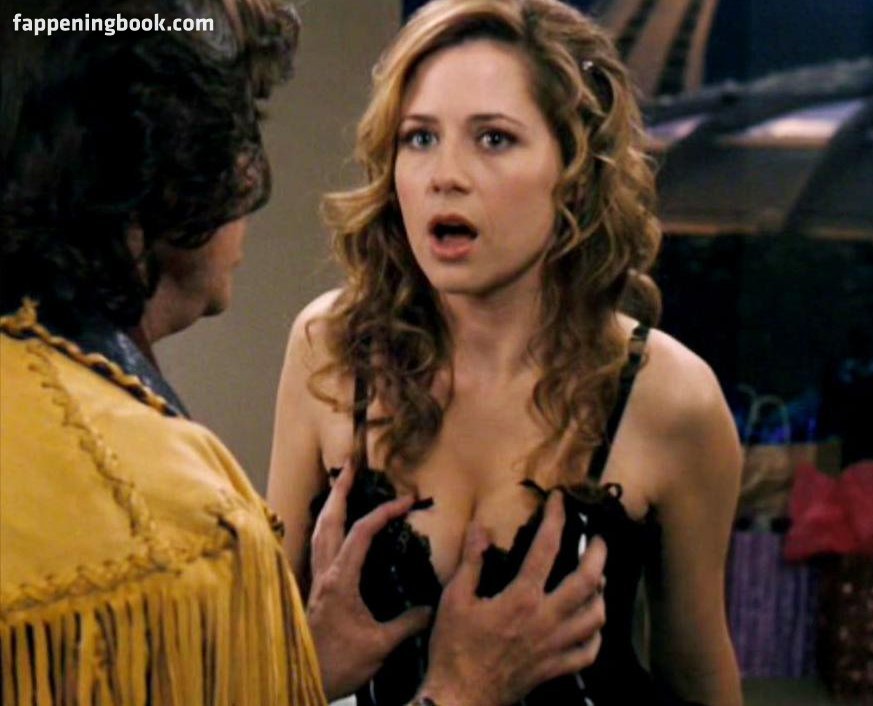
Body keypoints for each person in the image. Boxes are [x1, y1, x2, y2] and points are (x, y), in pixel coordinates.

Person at [0, 1, 607, 704]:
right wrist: (461, 689)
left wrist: (299, 670)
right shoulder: (171, 520)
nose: (248, 175)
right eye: (242, 130)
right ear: (169, 167)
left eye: (494, 139)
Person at [267, 0, 743, 704]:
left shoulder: (669, 398)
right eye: (419, 138)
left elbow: (699, 677)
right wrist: (310, 666)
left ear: (576, 169)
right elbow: (256, 653)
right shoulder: (332, 351)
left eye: (493, 139)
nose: (444, 175)